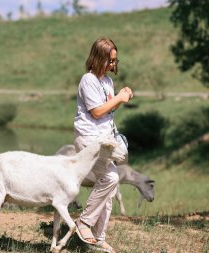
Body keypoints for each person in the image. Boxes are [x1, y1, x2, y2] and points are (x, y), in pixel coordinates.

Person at [73, 37, 133, 253]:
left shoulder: (107, 81)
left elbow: (107, 112)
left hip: (104, 139)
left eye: (115, 60)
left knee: (108, 186)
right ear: (98, 58)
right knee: (111, 177)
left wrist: (118, 96)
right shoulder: (87, 80)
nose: (113, 64)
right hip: (89, 139)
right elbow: (97, 111)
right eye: (110, 60)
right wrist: (118, 98)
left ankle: (99, 237)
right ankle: (84, 223)